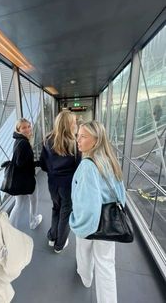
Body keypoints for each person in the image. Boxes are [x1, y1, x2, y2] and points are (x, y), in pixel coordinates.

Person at [69, 120, 126, 303]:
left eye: (83, 136)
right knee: (106, 265)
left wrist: (78, 224)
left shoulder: (87, 165)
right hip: (110, 222)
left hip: (90, 222)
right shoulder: (109, 159)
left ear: (96, 140)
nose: (78, 140)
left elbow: (88, 204)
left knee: (84, 254)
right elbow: (121, 194)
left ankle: (86, 278)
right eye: (78, 135)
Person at [40, 110, 81, 253]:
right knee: (66, 212)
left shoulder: (47, 139)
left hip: (52, 182)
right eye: (74, 122)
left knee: (56, 208)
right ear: (69, 124)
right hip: (68, 184)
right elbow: (79, 167)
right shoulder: (75, 142)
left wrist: (53, 172)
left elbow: (43, 164)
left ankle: (52, 237)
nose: (76, 124)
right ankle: (59, 244)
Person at [9, 118, 43, 230]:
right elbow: (21, 163)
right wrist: (37, 163)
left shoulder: (18, 140)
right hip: (26, 179)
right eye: (24, 127)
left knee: (18, 204)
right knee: (33, 200)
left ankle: (9, 229)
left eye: (28, 126)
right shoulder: (23, 142)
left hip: (18, 179)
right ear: (18, 129)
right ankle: (33, 221)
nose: (27, 129)